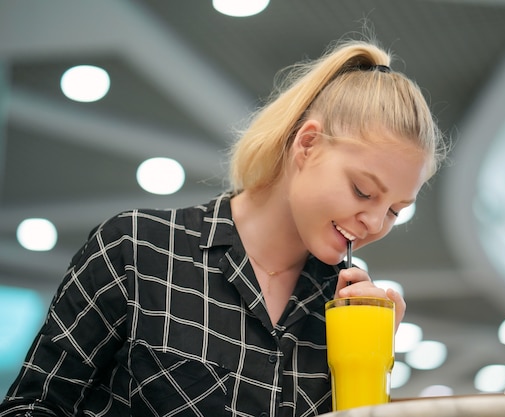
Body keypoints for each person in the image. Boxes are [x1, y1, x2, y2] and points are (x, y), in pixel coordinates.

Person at [0, 36, 445, 417]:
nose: (372, 222)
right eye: (364, 191)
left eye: (394, 211)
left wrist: (370, 362)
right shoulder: (136, 249)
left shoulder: (341, 308)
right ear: (307, 145)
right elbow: (33, 407)